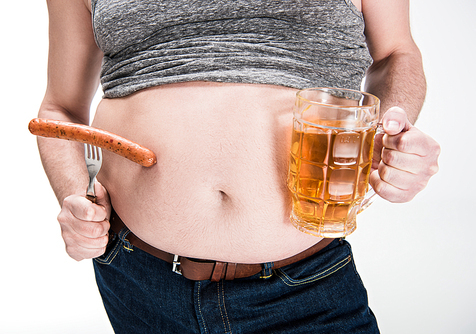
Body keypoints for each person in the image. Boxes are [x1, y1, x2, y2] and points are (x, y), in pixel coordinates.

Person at [37, 0, 440, 332]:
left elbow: (396, 53)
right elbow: (60, 109)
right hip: (138, 279)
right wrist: (76, 199)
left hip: (303, 280)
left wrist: (391, 132)